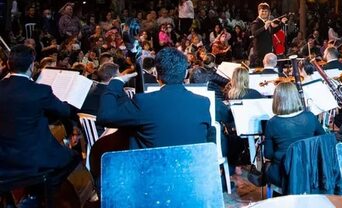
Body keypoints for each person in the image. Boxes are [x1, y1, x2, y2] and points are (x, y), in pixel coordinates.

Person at [0, 45, 93, 205]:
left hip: (4, 160)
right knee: (73, 157)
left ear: (9, 65)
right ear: (31, 66)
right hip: (32, 160)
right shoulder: (40, 91)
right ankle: (47, 198)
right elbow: (64, 111)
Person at [97, 47, 212, 149]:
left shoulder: (143, 102)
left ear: (156, 74)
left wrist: (116, 82)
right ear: (185, 73)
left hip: (152, 171)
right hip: (191, 171)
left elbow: (105, 116)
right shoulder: (203, 103)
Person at [263, 82, 325, 187]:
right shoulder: (310, 117)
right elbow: (323, 139)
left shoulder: (272, 123)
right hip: (310, 171)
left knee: (267, 167)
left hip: (284, 174)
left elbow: (268, 154)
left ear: (277, 100)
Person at [249, 3, 285, 67]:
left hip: (268, 52)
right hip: (260, 55)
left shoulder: (267, 22)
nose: (264, 13)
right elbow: (254, 33)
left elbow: (272, 32)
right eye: (262, 11)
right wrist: (264, 27)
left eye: (266, 11)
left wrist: (281, 23)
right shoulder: (256, 23)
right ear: (258, 12)